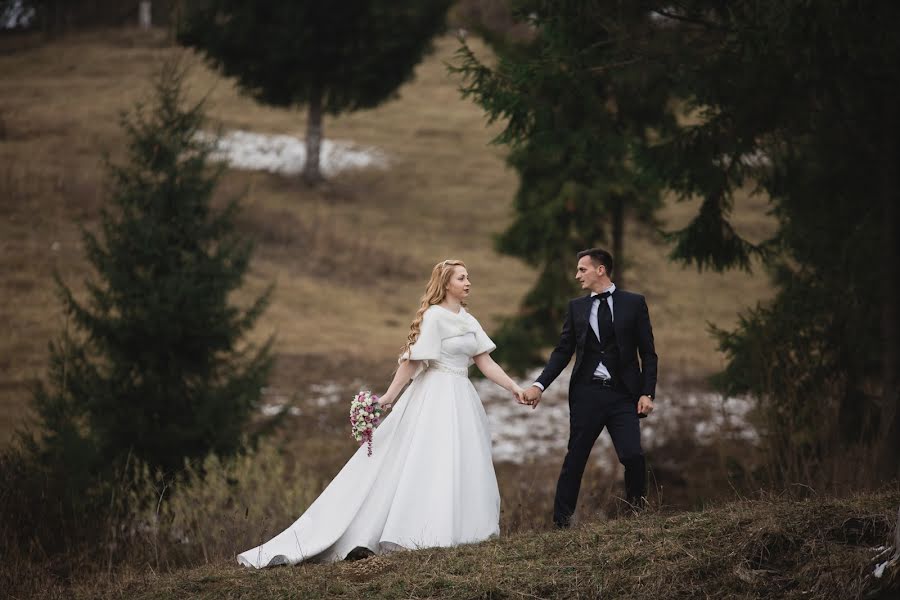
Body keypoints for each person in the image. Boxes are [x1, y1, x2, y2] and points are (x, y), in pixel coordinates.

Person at [237, 259, 526, 567]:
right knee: (429, 460)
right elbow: (412, 361)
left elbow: (485, 362)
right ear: (445, 284)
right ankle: (421, 530)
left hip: (462, 397)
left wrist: (514, 388)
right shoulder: (434, 317)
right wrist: (388, 396)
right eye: (461, 278)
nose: (468, 283)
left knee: (463, 459)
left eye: (468, 277)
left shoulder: (469, 320)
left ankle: (464, 530)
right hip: (434, 396)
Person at [522, 248, 658, 527]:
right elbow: (562, 352)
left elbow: (648, 353)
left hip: (624, 395)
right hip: (587, 394)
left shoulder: (634, 303)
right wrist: (540, 385)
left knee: (632, 455)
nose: (577, 275)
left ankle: (637, 515)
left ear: (600, 270)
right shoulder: (577, 308)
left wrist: (647, 391)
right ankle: (560, 523)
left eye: (582, 269)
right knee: (576, 459)